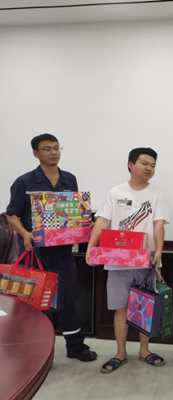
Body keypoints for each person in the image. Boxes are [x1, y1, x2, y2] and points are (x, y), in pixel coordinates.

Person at [6, 133, 97, 362]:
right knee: (33, 302)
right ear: (36, 153)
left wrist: (85, 225)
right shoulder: (24, 182)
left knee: (67, 298)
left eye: (56, 148)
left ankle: (75, 346)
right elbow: (11, 215)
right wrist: (25, 234)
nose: (53, 152)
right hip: (33, 252)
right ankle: (34, 352)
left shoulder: (69, 179)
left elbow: (74, 212)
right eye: (47, 149)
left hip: (62, 251)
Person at [87, 148, 170, 373]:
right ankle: (120, 352)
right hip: (118, 261)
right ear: (130, 165)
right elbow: (102, 220)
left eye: (153, 165)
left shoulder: (157, 194)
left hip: (147, 261)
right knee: (121, 308)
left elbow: (159, 224)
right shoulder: (115, 192)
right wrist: (91, 246)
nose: (149, 168)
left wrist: (159, 251)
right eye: (145, 163)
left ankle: (144, 350)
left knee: (145, 306)